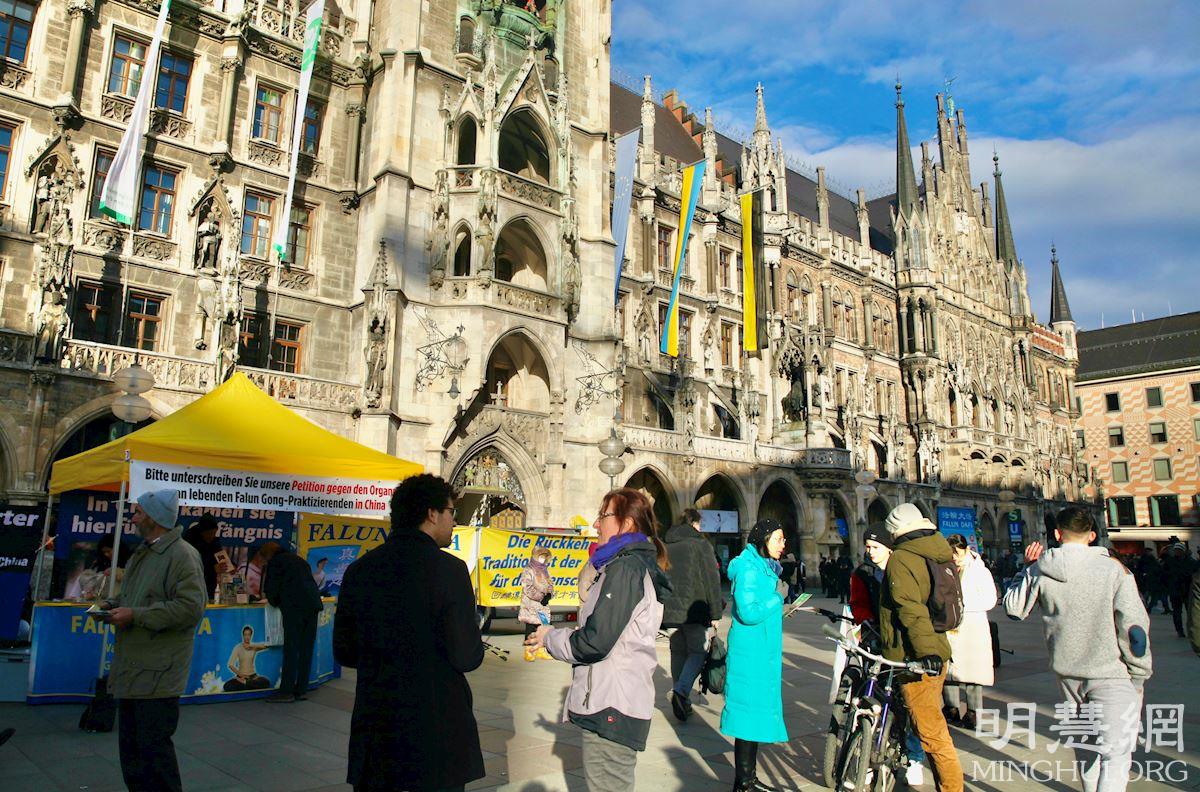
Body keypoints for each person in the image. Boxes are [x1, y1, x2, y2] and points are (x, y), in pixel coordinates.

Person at [334, 474, 485, 791]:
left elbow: (344, 651)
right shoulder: (450, 570)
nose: (454, 522)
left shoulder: (360, 570)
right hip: (436, 726)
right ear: (432, 514)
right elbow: (466, 656)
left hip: (377, 723)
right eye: (451, 512)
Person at [525, 489, 671, 791]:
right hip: (612, 701)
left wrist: (550, 637)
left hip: (612, 706)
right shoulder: (620, 566)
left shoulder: (626, 568)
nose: (595, 524)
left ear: (626, 523)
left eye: (603, 516)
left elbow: (595, 641)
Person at [1004, 507, 1152, 792]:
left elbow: (1013, 609)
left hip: (1068, 676)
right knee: (1116, 753)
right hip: (1112, 673)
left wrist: (1024, 568)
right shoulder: (1115, 570)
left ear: (1057, 534)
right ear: (1092, 535)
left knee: (1086, 747)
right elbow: (1134, 629)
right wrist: (1140, 672)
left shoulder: (1039, 569)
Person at [96, 489, 206, 792]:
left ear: (155, 518)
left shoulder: (182, 555)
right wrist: (111, 605)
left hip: (159, 672)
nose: (133, 518)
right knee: (132, 754)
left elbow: (190, 608)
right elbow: (135, 596)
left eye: (139, 512)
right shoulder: (143, 552)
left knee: (154, 755)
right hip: (134, 667)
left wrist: (135, 615)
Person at [879, 503, 962, 792]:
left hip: (916, 656)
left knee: (932, 734)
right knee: (930, 729)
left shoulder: (903, 558)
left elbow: (911, 609)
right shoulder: (938, 551)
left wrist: (925, 653)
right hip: (938, 648)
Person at [849, 528, 928, 787]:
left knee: (909, 703)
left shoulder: (903, 570)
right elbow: (858, 603)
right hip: (875, 641)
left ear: (889, 548)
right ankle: (866, 755)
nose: (870, 552)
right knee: (873, 697)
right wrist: (866, 622)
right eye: (868, 547)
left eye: (876, 547)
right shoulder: (862, 573)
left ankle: (914, 758)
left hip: (903, 644)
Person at [720, 519, 787, 792]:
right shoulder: (749, 568)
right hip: (751, 655)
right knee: (747, 716)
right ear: (764, 539)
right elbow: (748, 612)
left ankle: (747, 778)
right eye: (778, 539)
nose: (783, 545)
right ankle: (744, 783)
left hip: (760, 651)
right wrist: (778, 598)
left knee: (753, 715)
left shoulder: (763, 567)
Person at [661, 506, 723, 722]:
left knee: (677, 652)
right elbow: (711, 579)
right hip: (694, 610)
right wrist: (716, 612)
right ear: (695, 524)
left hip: (670, 610)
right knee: (698, 652)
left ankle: (682, 701)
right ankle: (681, 692)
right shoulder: (700, 544)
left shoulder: (666, 544)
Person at [942, 534, 997, 731]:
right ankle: (951, 708)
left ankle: (973, 712)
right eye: (951, 554)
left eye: (957, 553)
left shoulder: (980, 571)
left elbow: (990, 599)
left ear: (966, 550)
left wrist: (962, 606)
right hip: (951, 627)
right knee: (949, 672)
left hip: (972, 627)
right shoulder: (945, 569)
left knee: (973, 673)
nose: (954, 558)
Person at [260, 541, 323, 703]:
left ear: (268, 555)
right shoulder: (299, 560)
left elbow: (272, 590)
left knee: (292, 648)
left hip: (294, 607)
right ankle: (301, 689)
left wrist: (273, 600)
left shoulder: (275, 562)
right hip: (312, 605)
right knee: (306, 648)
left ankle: (286, 691)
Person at [518, 545, 555, 661]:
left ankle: (541, 650)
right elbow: (527, 587)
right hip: (531, 605)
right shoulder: (528, 570)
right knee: (530, 627)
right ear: (535, 556)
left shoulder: (545, 570)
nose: (542, 559)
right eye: (540, 556)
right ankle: (528, 651)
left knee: (543, 627)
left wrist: (549, 595)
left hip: (542, 607)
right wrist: (540, 597)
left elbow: (550, 585)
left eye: (544, 557)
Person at [183, 514, 222, 600]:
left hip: (209, 584)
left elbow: (220, 554)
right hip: (192, 582)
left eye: (214, 533)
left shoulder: (214, 540)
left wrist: (230, 565)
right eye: (210, 533)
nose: (212, 536)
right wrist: (212, 566)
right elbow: (192, 561)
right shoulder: (190, 539)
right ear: (202, 532)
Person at [1161, 542, 1196, 638]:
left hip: (1187, 590)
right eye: (1176, 550)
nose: (1177, 552)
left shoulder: (1190, 561)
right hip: (1175, 590)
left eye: (1179, 550)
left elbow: (1194, 574)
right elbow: (1164, 575)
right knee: (1177, 612)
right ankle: (1179, 630)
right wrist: (1168, 585)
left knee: (1191, 612)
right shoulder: (1170, 561)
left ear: (1183, 551)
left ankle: (1192, 630)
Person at [223, 626, 271, 691]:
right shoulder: (238, 647)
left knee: (266, 682)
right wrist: (240, 675)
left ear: (251, 635)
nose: (247, 637)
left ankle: (247, 683)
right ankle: (249, 684)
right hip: (241, 678)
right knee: (227, 686)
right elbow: (230, 664)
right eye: (245, 635)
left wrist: (251, 645)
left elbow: (267, 646)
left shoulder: (253, 647)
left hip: (253, 677)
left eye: (249, 635)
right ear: (243, 635)